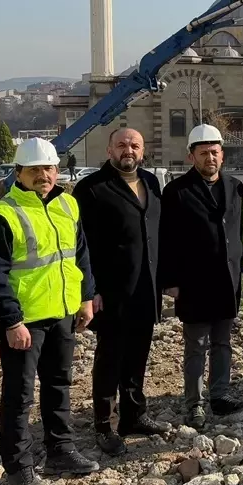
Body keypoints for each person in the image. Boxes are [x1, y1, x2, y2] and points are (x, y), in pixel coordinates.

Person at [0, 138, 98, 485]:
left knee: (59, 384)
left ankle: (61, 450)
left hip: (62, 313)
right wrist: (11, 321)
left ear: (57, 170)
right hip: (25, 321)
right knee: (19, 395)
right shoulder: (2, 214)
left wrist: (85, 299)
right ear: (18, 173)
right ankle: (19, 466)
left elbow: (80, 256)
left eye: (48, 168)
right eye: (35, 170)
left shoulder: (67, 204)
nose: (43, 175)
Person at [74, 128, 170, 457]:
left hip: (146, 288)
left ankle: (133, 415)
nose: (128, 150)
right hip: (111, 292)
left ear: (142, 151)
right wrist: (91, 290)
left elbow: (156, 234)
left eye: (135, 145)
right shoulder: (91, 189)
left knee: (138, 354)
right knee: (110, 358)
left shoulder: (151, 183)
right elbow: (83, 246)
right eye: (122, 145)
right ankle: (104, 423)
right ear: (110, 150)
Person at [158, 124, 243, 428]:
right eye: (204, 152)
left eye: (215, 152)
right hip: (194, 282)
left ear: (222, 154)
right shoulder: (176, 192)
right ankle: (194, 404)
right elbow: (166, 239)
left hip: (227, 280)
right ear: (191, 156)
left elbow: (238, 232)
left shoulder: (235, 187)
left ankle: (219, 395)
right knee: (196, 345)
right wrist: (170, 281)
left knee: (223, 342)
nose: (210, 158)